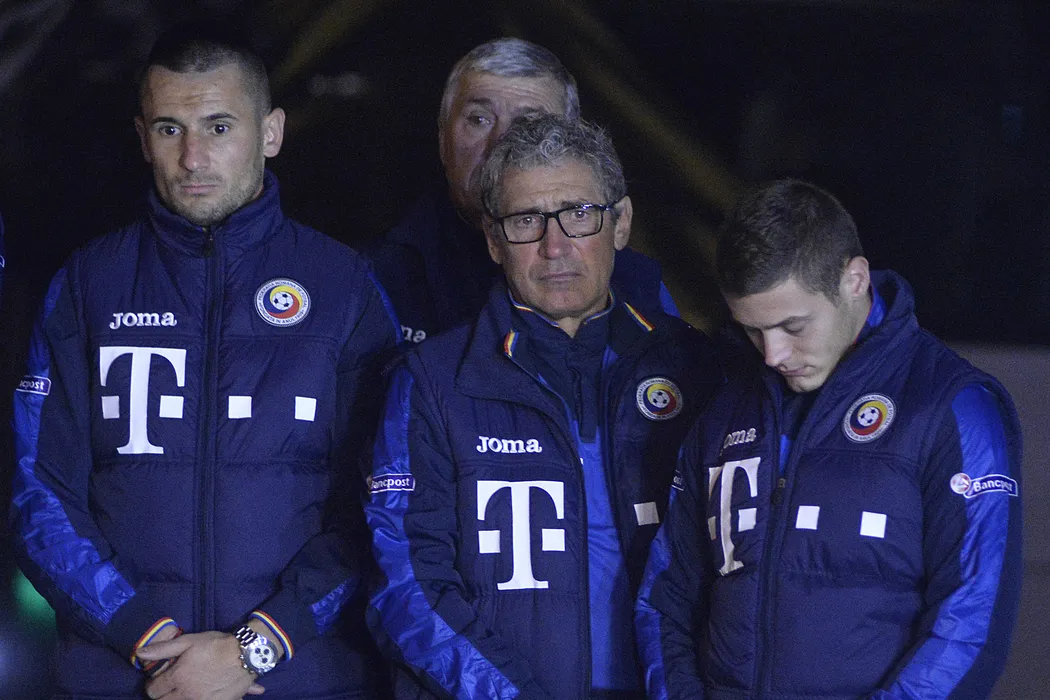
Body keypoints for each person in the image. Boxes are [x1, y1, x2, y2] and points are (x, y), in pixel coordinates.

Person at [10, 20, 397, 699]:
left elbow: (384, 504)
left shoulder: (345, 288)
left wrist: (257, 647)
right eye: (170, 129)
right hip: (124, 678)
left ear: (270, 133)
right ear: (142, 138)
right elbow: (37, 491)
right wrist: (145, 637)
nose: (193, 157)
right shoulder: (87, 285)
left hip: (300, 680)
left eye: (219, 127)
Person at [365, 113, 723, 700]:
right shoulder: (431, 381)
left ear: (621, 223)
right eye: (526, 221)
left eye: (578, 214)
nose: (554, 247)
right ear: (493, 240)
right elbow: (404, 580)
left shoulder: (698, 368)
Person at [636, 179, 1023, 699]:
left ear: (854, 280)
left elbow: (971, 623)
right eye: (753, 330)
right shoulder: (724, 412)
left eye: (793, 326)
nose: (773, 354)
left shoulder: (951, 407)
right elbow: (666, 599)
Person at [368, 37, 678, 346]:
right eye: (479, 119)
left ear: (572, 145)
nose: (499, 143)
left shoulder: (638, 287)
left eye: (529, 124)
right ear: (442, 137)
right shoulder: (376, 277)